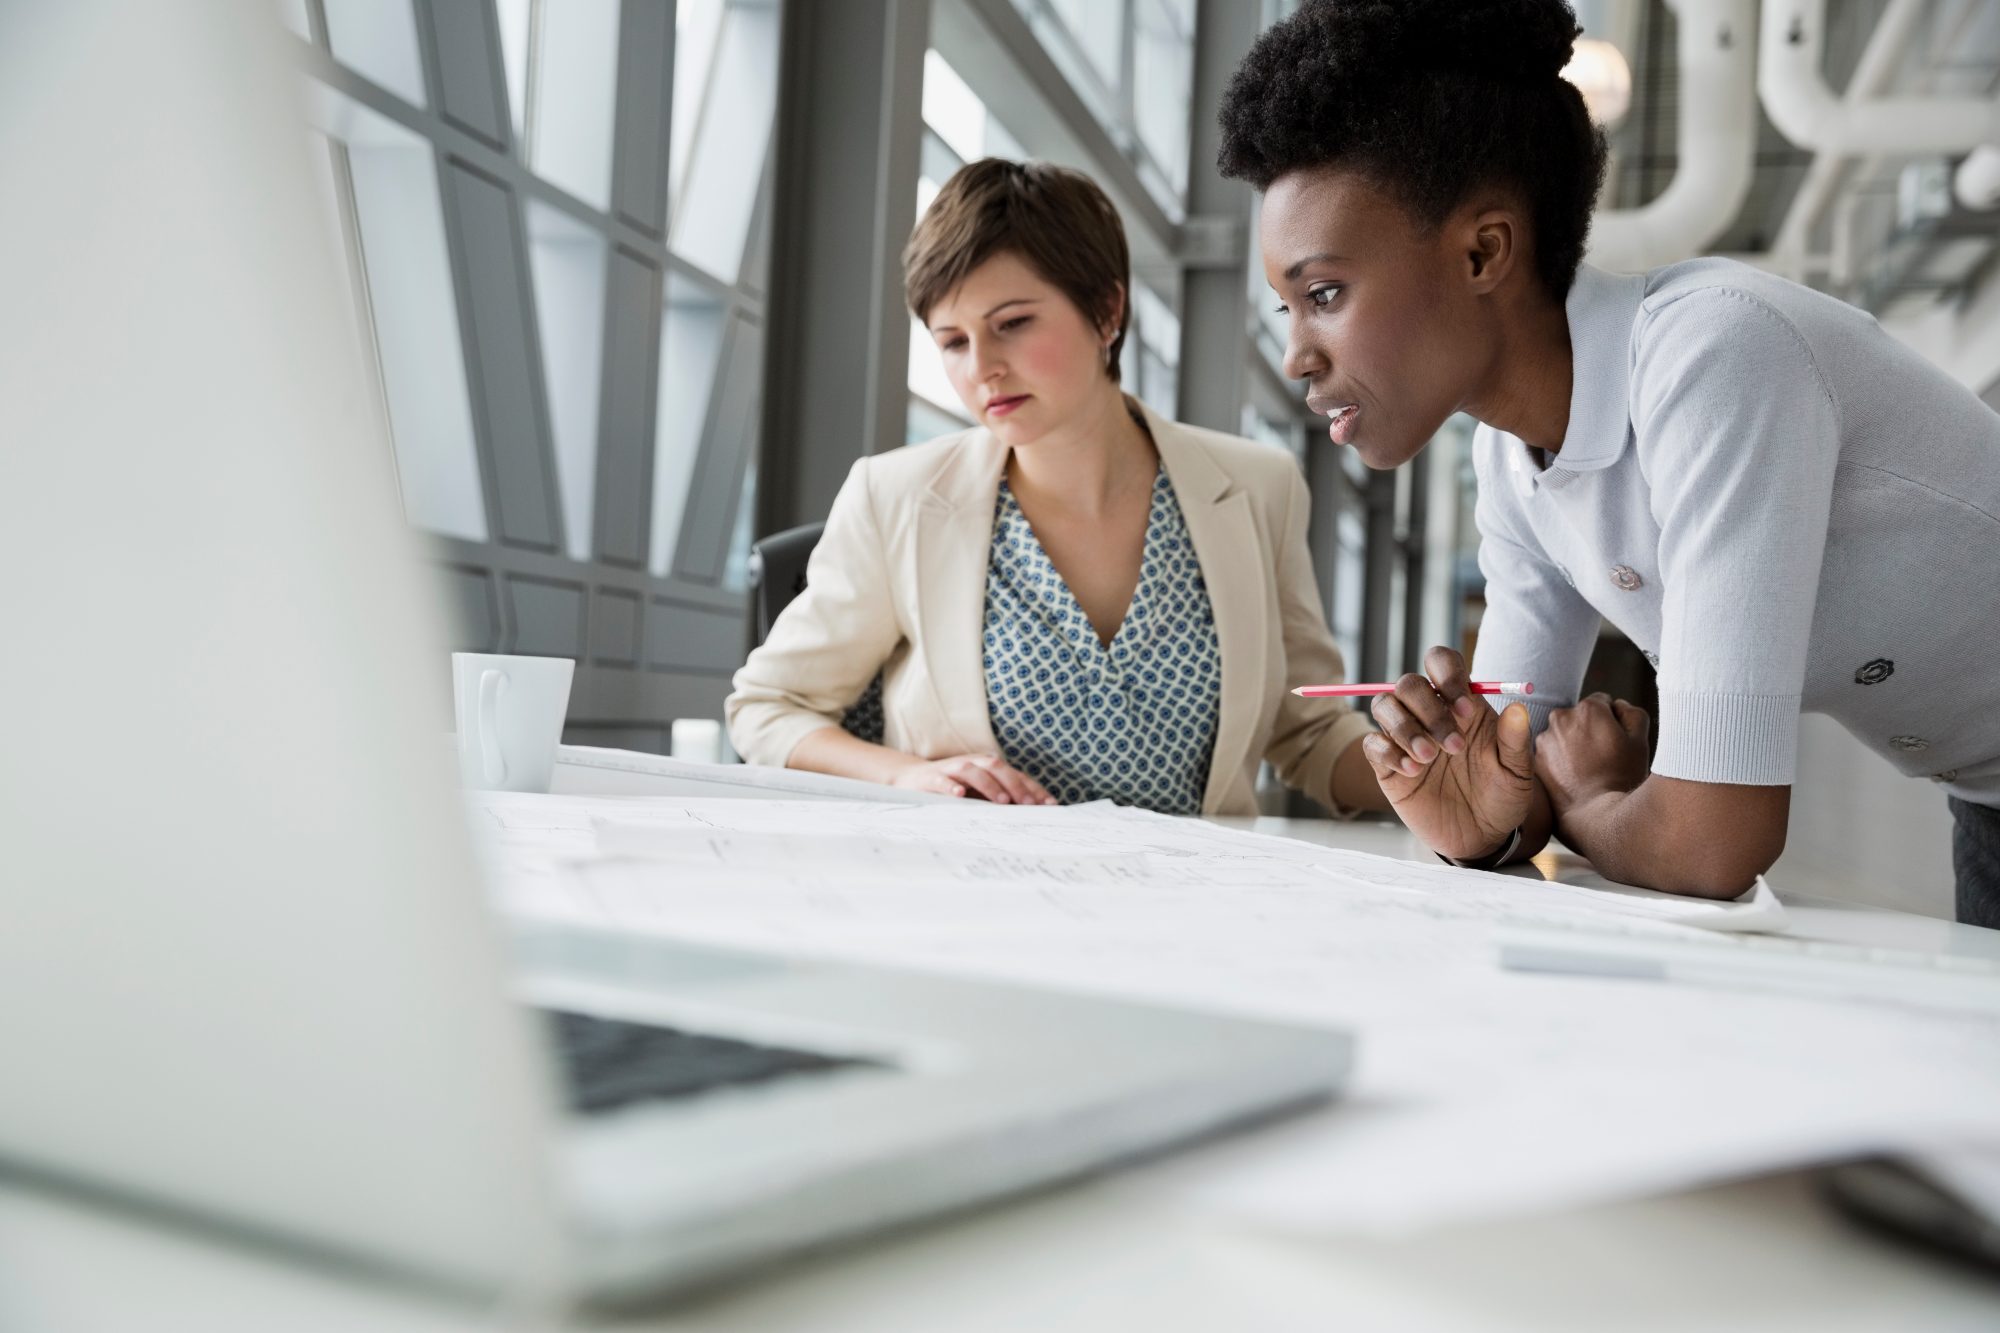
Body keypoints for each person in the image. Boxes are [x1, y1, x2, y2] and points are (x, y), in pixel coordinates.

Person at [1215, 0, 2000, 923]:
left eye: (1326, 293)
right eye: (1289, 308)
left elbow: (1715, 840)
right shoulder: (1513, 467)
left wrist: (1588, 807)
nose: (1296, 356)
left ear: (1484, 251)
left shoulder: (1714, 356)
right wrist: (1480, 821)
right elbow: (1520, 762)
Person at [727, 159, 1388, 817]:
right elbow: (766, 706)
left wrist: (1432, 768)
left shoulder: (1257, 489)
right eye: (952, 341)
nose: (982, 367)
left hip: (1189, 906)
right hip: (972, 897)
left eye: (1012, 323)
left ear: (1106, 311)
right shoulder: (896, 497)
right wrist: (903, 776)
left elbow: (1310, 731)